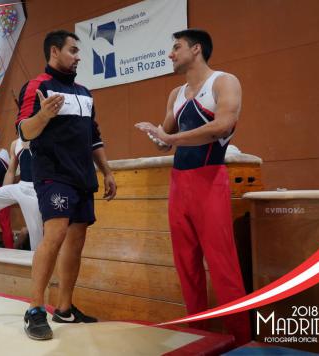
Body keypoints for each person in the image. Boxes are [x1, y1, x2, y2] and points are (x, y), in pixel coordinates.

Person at [135, 28, 250, 345]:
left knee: (222, 265)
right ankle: (199, 336)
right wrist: (157, 136)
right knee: (186, 264)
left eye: (176, 47)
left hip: (209, 180)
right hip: (179, 185)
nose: (170, 54)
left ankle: (241, 341)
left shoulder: (224, 82)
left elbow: (222, 126)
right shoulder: (175, 94)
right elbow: (165, 139)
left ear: (196, 49)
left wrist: (171, 138)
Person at [16, 30, 116, 341]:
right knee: (55, 234)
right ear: (54, 51)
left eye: (78, 51)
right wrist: (43, 115)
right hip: (53, 174)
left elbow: (94, 137)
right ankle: (34, 309)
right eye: (72, 50)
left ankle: (65, 308)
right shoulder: (37, 86)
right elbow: (24, 132)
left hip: (83, 177)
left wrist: (107, 172)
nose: (78, 56)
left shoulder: (86, 92)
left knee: (76, 241)